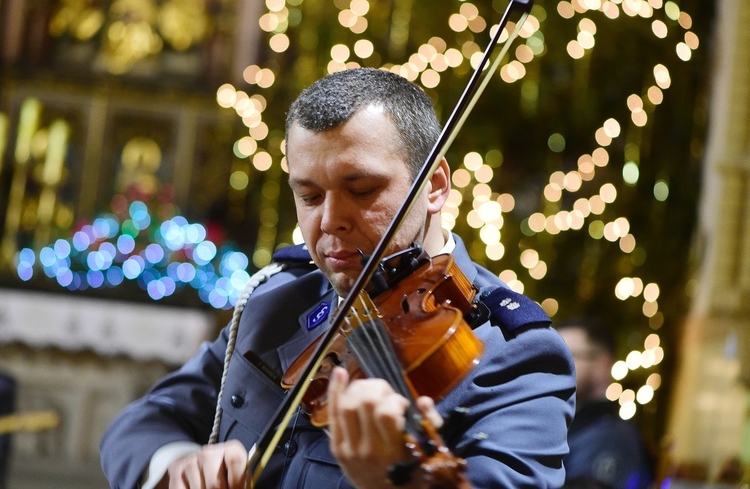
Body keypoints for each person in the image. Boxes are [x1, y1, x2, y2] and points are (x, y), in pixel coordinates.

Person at [100, 67, 576, 488]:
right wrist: (180, 463)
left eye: (362, 190)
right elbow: (142, 424)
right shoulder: (276, 302)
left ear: (434, 186)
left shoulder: (516, 353)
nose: (328, 221)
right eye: (308, 196)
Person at [556, 318, 653, 489]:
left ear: (603, 364)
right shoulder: (564, 424)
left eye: (567, 354)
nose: (554, 364)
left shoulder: (612, 437)